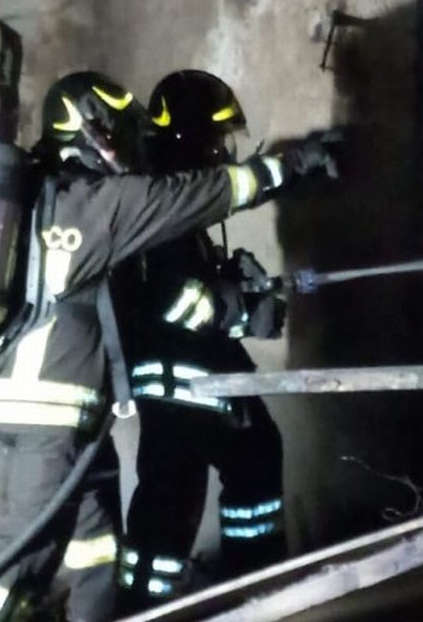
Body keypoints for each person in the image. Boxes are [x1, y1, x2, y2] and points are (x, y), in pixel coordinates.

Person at [0, 71, 338, 622]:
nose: (134, 144)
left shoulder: (58, 194)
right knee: (24, 561)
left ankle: (130, 609)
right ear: (96, 127)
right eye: (125, 129)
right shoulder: (103, 203)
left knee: (98, 546)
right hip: (67, 406)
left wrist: (233, 293)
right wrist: (239, 307)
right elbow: (179, 262)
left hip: (63, 409)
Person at [110, 70, 290, 610]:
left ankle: (254, 584)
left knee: (256, 456)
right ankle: (143, 608)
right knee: (169, 506)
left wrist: (232, 280)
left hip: (204, 373)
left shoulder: (180, 203)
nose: (222, 151)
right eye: (215, 138)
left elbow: (187, 286)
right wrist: (239, 313)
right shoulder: (161, 203)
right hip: (175, 383)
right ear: (188, 137)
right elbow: (172, 300)